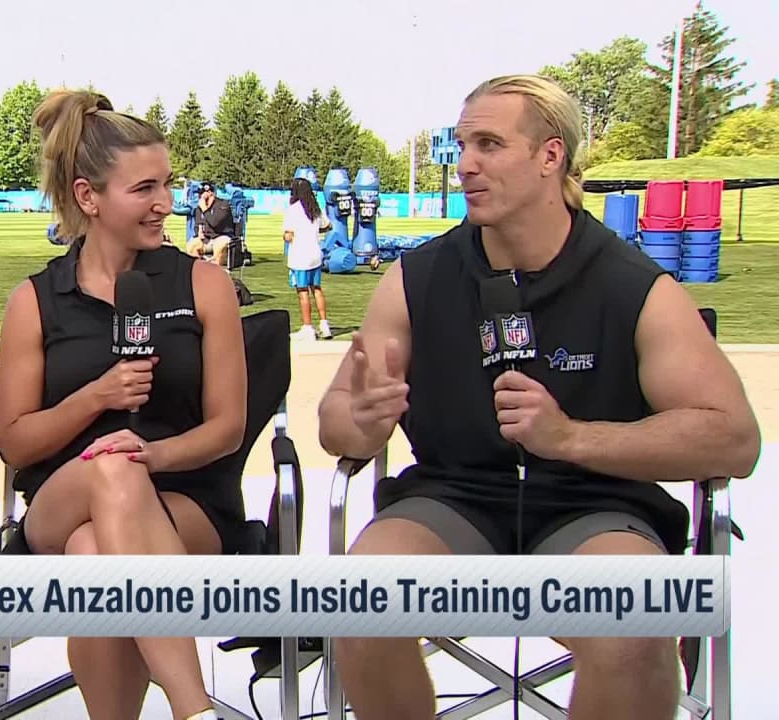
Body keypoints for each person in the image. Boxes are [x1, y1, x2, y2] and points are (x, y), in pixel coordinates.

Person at [317, 74, 761, 720]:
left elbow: (735, 438)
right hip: (452, 499)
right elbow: (337, 426)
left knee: (634, 626)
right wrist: (357, 421)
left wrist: (571, 438)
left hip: (596, 505)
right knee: (361, 603)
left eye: (489, 145)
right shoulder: (417, 279)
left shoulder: (632, 286)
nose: (465, 164)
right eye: (462, 144)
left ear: (550, 156)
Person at [0, 89, 248, 720]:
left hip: (186, 501)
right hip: (60, 497)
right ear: (89, 197)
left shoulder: (204, 285)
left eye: (168, 183)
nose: (166, 203)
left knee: (94, 553)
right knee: (108, 473)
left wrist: (152, 454)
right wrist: (97, 397)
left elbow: (228, 428)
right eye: (144, 188)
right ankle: (196, 710)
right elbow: (16, 444)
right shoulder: (35, 300)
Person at [282, 176, 331, 340]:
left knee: (302, 292)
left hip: (300, 256)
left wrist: (287, 236)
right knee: (316, 289)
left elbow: (288, 235)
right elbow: (328, 226)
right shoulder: (316, 209)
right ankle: (324, 324)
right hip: (315, 254)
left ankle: (307, 327)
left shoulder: (293, 209)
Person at [184, 181, 236, 265]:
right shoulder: (199, 208)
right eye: (201, 195)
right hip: (206, 239)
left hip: (221, 236)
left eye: (205, 195)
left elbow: (215, 223)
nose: (202, 198)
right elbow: (197, 225)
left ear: (212, 194)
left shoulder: (223, 205)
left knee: (220, 245)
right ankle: (197, 269)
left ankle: (216, 270)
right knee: (192, 245)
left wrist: (205, 209)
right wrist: (199, 232)